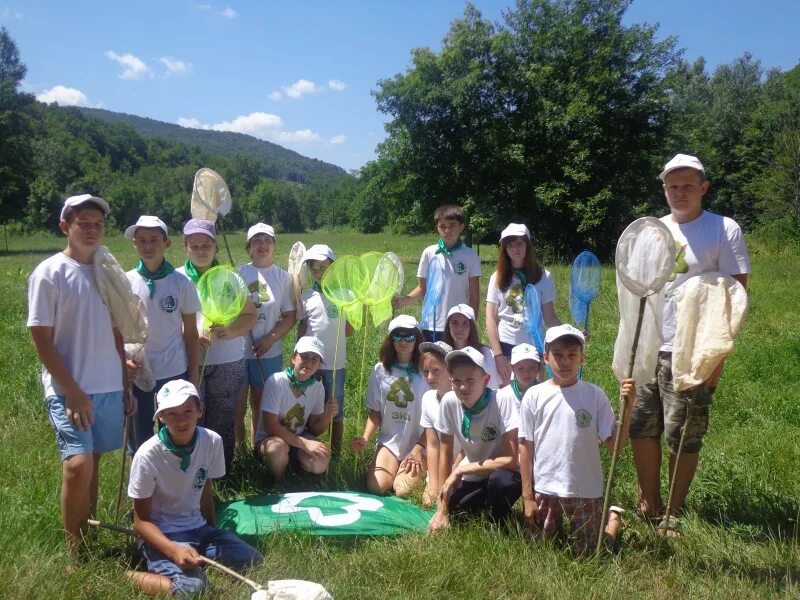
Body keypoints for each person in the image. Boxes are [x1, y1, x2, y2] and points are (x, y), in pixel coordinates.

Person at [629, 154, 750, 534]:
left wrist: (716, 359)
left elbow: (734, 298)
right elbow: (637, 290)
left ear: (704, 188)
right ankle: (649, 502)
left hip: (692, 349)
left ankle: (673, 511)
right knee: (640, 425)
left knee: (681, 433)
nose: (679, 192)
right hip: (648, 344)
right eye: (672, 186)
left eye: (687, 185)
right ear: (663, 189)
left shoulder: (722, 229)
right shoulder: (651, 231)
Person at [27, 194, 134, 561]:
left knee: (95, 463)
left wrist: (125, 382)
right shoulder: (50, 273)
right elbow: (41, 337)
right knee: (77, 466)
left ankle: (89, 536)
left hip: (108, 386)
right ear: (65, 226)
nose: (91, 230)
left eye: (97, 224)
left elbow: (117, 333)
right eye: (83, 223)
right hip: (69, 390)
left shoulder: (107, 272)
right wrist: (72, 391)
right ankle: (75, 555)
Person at [127, 379, 262, 596]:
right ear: (161, 417)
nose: (181, 420)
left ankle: (192, 561)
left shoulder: (212, 441)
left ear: (200, 410)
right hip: (163, 535)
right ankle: (130, 575)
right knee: (193, 590)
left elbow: (204, 488)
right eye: (172, 413)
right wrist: (173, 550)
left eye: (187, 411)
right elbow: (141, 521)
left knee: (252, 559)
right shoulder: (147, 455)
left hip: (199, 530)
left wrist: (212, 530)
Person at [518, 325, 636, 556]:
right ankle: (605, 520)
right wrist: (527, 496)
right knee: (538, 549)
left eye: (572, 355)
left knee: (592, 553)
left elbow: (615, 446)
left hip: (586, 489)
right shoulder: (534, 396)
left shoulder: (594, 395)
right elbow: (525, 445)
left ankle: (612, 521)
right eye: (558, 355)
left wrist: (629, 408)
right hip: (546, 487)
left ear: (582, 358)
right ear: (545, 358)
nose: (565, 362)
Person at [177, 218, 257, 471]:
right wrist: (186, 334)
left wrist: (230, 330)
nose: (201, 251)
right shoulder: (177, 278)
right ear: (186, 247)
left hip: (228, 360)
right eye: (194, 245)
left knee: (223, 418)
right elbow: (165, 323)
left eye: (206, 245)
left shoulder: (229, 277)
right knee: (190, 418)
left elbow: (250, 315)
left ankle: (222, 472)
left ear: (215, 248)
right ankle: (190, 473)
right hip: (189, 361)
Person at [125, 215, 200, 453]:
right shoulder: (125, 282)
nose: (148, 246)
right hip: (138, 372)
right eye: (142, 240)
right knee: (141, 437)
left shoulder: (181, 282)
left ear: (166, 244)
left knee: (176, 433)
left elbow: (190, 332)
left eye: (154, 240)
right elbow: (117, 329)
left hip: (174, 370)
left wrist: (194, 374)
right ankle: (142, 485)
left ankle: (175, 481)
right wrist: (123, 364)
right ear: (134, 244)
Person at [428, 346, 520, 533]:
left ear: (486, 379)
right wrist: (442, 506)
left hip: (504, 471)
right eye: (457, 381)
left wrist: (461, 470)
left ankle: (500, 522)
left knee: (502, 482)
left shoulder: (502, 399)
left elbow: (510, 460)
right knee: (458, 513)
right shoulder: (449, 402)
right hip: (473, 473)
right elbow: (444, 454)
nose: (463, 387)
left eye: (470, 380)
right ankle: (484, 505)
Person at [350, 315, 429, 497]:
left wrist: (418, 448)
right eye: (397, 336)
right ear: (390, 339)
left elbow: (433, 420)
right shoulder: (380, 370)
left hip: (417, 442)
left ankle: (423, 464)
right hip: (390, 441)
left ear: (417, 338)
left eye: (409, 336)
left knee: (402, 490)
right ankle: (394, 464)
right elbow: (375, 412)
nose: (403, 341)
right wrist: (365, 438)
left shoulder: (425, 371)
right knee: (377, 486)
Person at [236, 223, 296, 448]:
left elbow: (289, 316)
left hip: (269, 353)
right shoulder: (238, 273)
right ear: (249, 246)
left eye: (267, 240)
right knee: (238, 407)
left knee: (261, 406)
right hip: (239, 352)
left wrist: (269, 339)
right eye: (256, 241)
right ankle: (239, 451)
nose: (262, 245)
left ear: (274, 245)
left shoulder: (283, 278)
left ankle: (257, 450)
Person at [486, 223, 562, 386]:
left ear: (528, 245)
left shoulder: (544, 276)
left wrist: (569, 332)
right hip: (506, 347)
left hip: (535, 347)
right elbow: (491, 318)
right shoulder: (497, 277)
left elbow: (549, 318)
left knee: (534, 394)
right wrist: (497, 355)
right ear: (504, 250)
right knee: (507, 394)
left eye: (519, 243)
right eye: (510, 245)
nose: (515, 249)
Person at [392, 204, 481, 341]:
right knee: (432, 361)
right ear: (437, 229)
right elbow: (422, 289)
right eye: (442, 226)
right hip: (431, 324)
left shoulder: (470, 255)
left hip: (458, 325)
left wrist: (470, 323)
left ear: (461, 227)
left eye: (452, 225)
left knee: (454, 362)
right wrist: (403, 301)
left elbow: (474, 296)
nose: (447, 230)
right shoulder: (429, 253)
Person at [254, 336, 338, 478]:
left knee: (321, 461)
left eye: (314, 359)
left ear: (319, 365)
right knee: (278, 449)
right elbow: (271, 427)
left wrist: (327, 416)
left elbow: (314, 429)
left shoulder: (318, 388)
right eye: (303, 356)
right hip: (270, 439)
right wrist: (304, 443)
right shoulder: (276, 381)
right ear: (293, 358)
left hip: (299, 438)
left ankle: (294, 467)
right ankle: (278, 483)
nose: (308, 363)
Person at [297, 244, 353, 454]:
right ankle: (307, 447)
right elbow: (302, 329)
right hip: (310, 363)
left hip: (335, 363)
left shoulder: (345, 295)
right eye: (314, 268)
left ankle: (336, 453)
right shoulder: (306, 296)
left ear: (333, 266)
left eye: (324, 266)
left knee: (334, 407)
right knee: (309, 405)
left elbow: (349, 331)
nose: (319, 272)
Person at [417, 340, 453, 507]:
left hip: (460, 464)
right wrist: (434, 485)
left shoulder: (460, 400)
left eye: (436, 370)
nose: (430, 377)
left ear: (450, 369)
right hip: (440, 462)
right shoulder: (428, 398)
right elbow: (432, 445)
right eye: (426, 372)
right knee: (428, 499)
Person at [439, 304, 501, 388]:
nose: (459, 329)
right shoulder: (440, 353)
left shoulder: (486, 353)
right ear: (448, 326)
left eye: (465, 324)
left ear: (471, 328)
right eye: (455, 323)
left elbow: (492, 387)